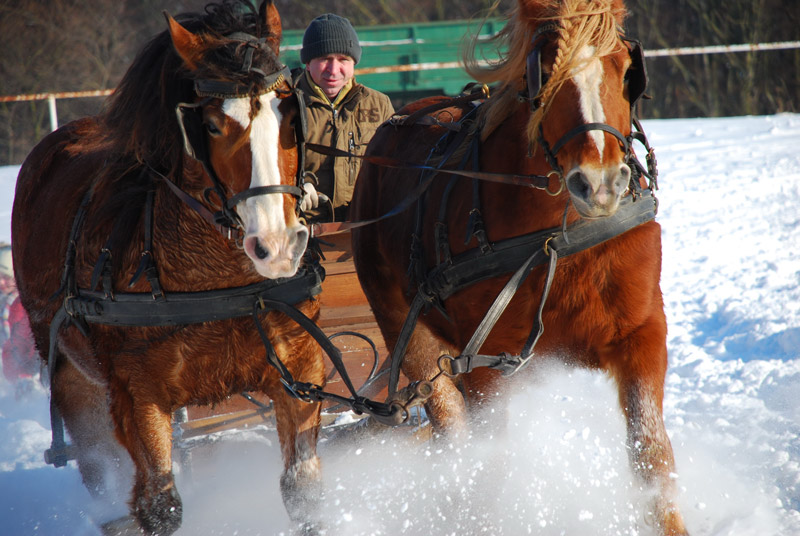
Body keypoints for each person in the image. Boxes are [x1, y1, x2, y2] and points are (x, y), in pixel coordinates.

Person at [294, 13, 395, 222]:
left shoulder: (380, 105)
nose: (333, 70)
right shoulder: (286, 105)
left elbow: (396, 167)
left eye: (343, 60)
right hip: (302, 228)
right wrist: (296, 184)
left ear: (353, 63)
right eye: (324, 59)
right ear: (307, 62)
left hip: (362, 229)